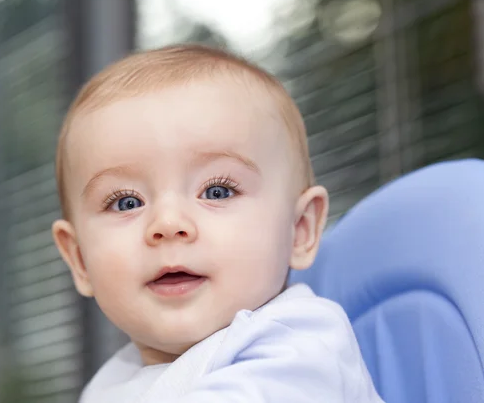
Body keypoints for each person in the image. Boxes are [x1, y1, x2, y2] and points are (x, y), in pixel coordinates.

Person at [51, 44, 384, 402]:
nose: (167, 223)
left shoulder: (299, 344)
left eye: (217, 192)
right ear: (80, 259)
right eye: (126, 202)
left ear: (299, 229)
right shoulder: (111, 385)